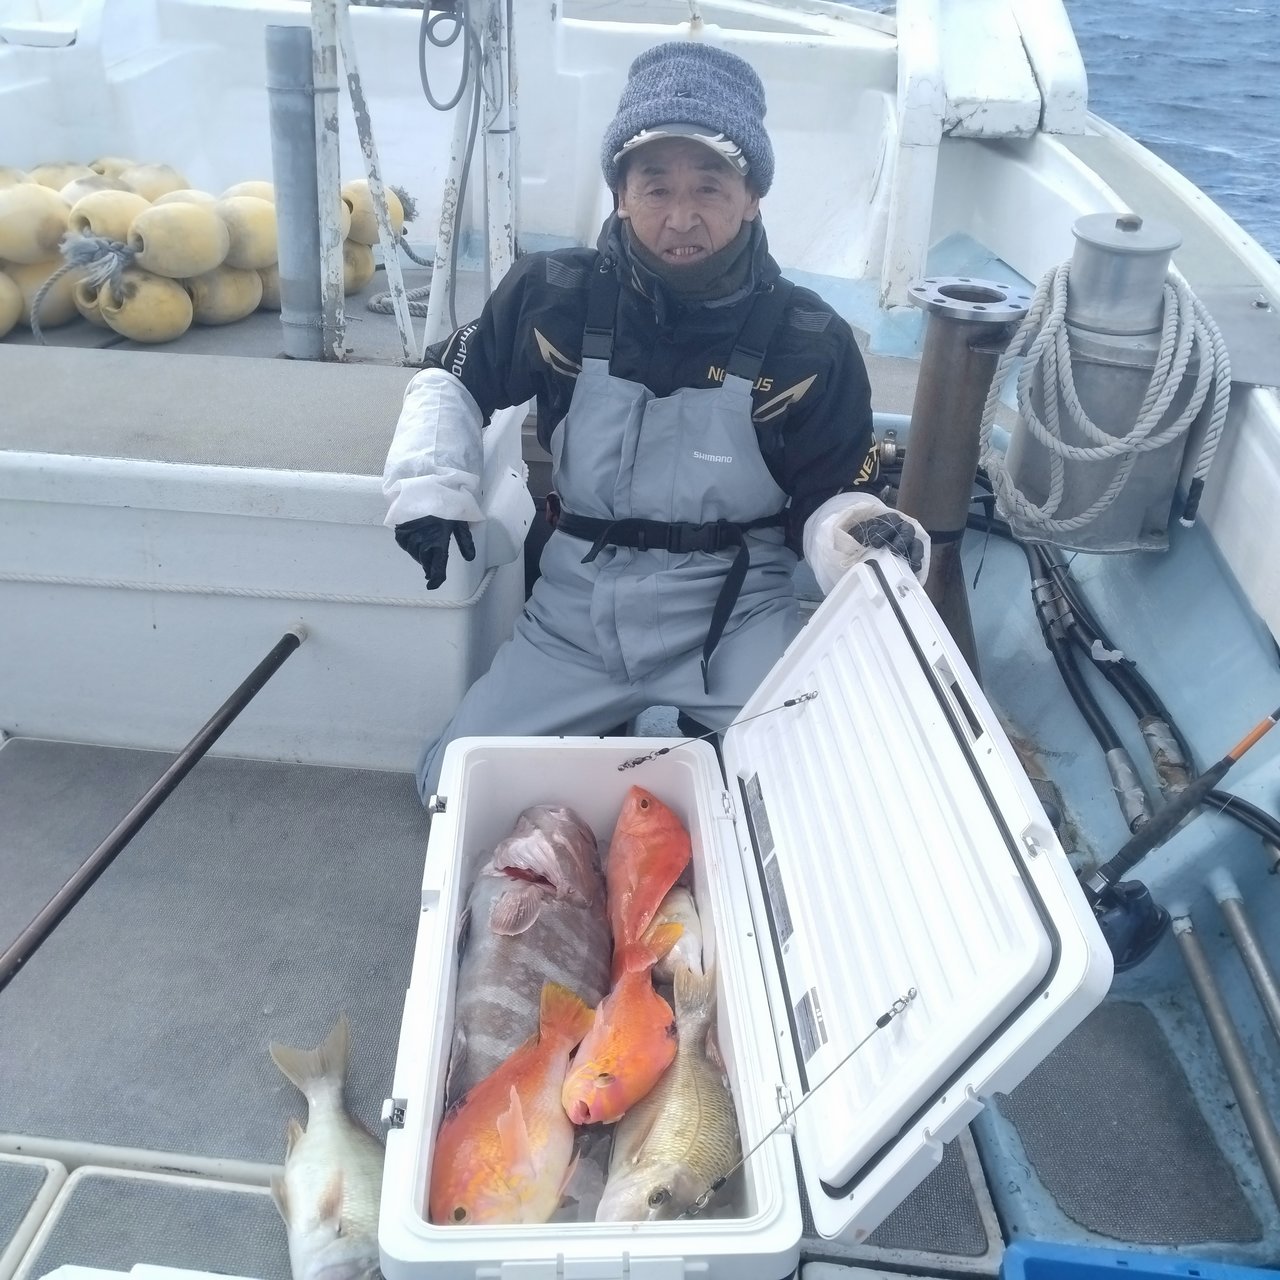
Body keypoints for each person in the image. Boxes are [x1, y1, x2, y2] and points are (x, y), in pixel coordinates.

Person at [384, 41, 927, 803]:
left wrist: (859, 534)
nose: (681, 217)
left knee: (818, 800)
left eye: (709, 186)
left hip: (735, 612)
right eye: (655, 186)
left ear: (753, 195)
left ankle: (691, 731)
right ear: (619, 193)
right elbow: (451, 379)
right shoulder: (552, 293)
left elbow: (833, 494)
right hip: (575, 610)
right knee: (455, 786)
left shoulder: (811, 340)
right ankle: (638, 731)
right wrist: (430, 489)